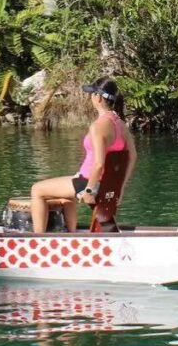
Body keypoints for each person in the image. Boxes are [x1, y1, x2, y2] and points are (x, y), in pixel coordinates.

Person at [29, 77, 137, 233]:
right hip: (106, 184)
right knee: (66, 195)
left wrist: (89, 191)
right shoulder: (120, 124)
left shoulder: (98, 126)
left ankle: (37, 241)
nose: (90, 97)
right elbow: (132, 156)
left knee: (37, 190)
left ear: (98, 97)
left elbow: (99, 164)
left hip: (89, 182)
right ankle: (72, 235)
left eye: (92, 93)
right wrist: (120, 187)